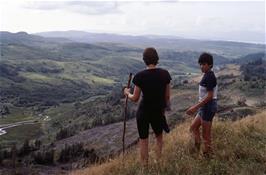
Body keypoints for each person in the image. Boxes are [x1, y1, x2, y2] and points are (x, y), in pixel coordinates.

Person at [124, 47, 171, 166]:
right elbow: (167, 97)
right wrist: (163, 110)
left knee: (143, 140)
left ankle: (145, 167)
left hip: (143, 112)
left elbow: (135, 98)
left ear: (144, 60)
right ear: (156, 59)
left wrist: (126, 93)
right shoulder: (165, 74)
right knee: (159, 137)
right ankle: (158, 163)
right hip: (157, 111)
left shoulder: (140, 76)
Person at [186, 52, 218, 157]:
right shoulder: (207, 75)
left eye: (204, 64)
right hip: (204, 107)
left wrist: (195, 107)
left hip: (208, 107)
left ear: (210, 65)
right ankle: (198, 150)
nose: (201, 66)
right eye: (200, 64)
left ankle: (208, 156)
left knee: (206, 135)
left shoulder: (209, 76)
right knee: (193, 128)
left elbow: (209, 96)